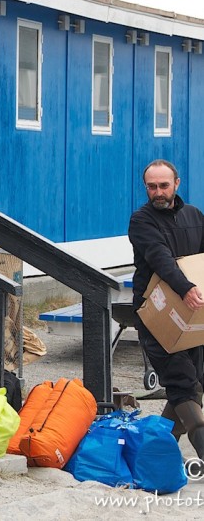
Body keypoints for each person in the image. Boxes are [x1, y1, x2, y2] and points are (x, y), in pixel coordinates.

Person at [129, 159, 204, 460]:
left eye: (163, 185)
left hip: (193, 314)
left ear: (177, 184)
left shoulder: (194, 216)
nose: (158, 192)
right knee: (184, 385)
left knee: (191, 383)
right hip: (156, 316)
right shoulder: (141, 220)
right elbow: (159, 257)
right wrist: (186, 288)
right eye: (151, 186)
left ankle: (156, 454)